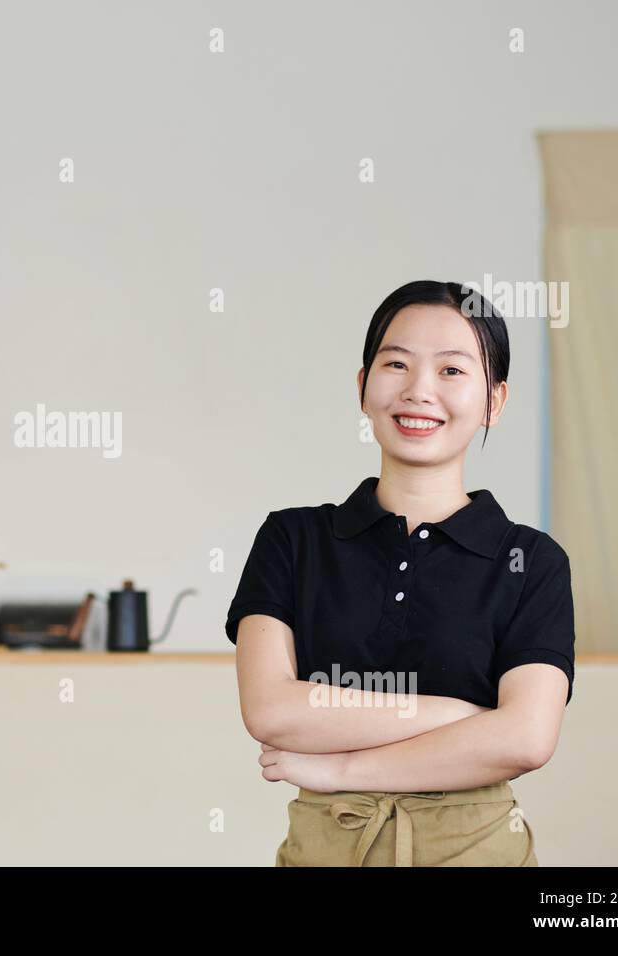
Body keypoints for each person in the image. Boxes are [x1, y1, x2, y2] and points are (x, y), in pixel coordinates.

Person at [225, 280, 575, 866]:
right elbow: (271, 711)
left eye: (452, 371)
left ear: (495, 400)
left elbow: (526, 739)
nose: (419, 391)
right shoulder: (293, 539)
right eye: (396, 363)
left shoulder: (532, 561)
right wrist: (458, 716)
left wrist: (341, 767)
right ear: (363, 387)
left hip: (477, 852)